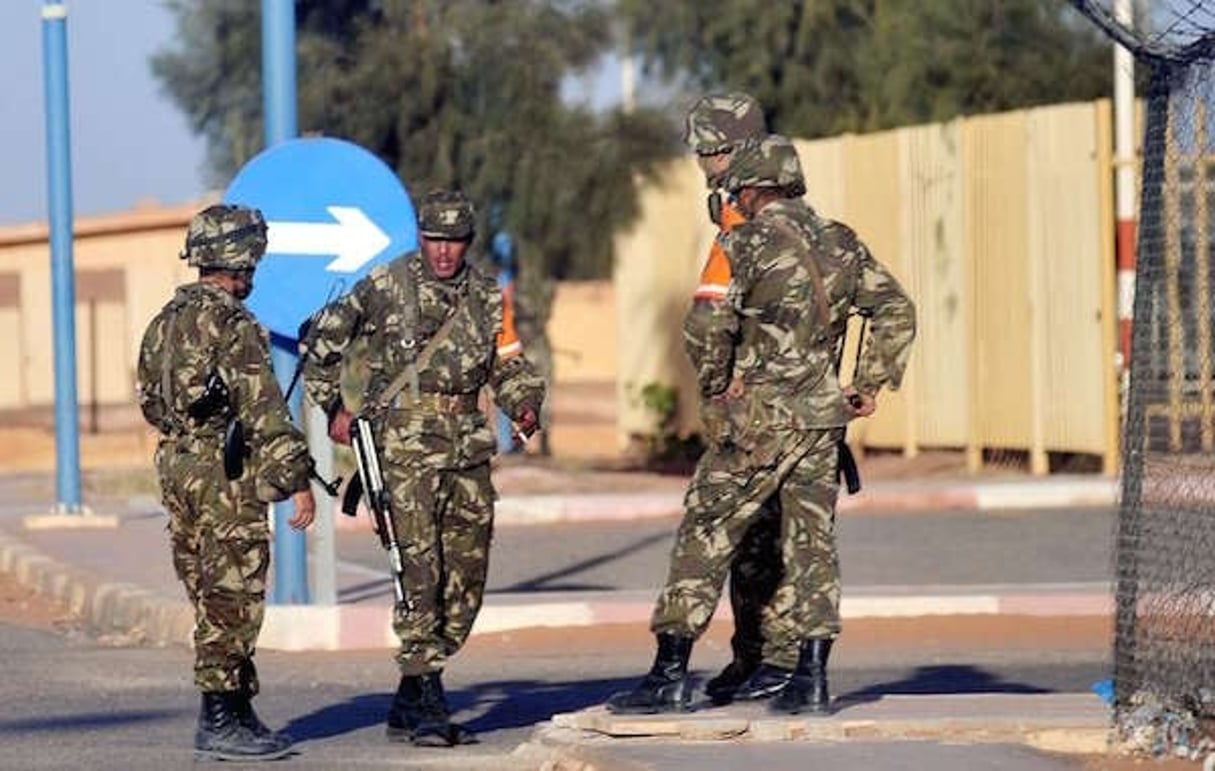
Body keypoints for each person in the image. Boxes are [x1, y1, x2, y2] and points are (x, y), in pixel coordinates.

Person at [607, 135, 916, 716]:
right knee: (812, 546)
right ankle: (812, 679)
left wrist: (720, 382)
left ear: (748, 189)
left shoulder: (739, 243)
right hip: (823, 421)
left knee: (706, 530)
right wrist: (867, 383)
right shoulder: (841, 242)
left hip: (758, 423)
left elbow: (705, 324)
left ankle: (669, 674)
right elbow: (897, 308)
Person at [300, 188, 544, 746]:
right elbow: (326, 339)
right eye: (434, 240)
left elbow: (508, 363)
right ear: (421, 237)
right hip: (405, 450)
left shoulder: (485, 296)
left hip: (467, 447)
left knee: (467, 578)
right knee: (418, 571)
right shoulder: (387, 285)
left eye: (453, 242)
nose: (443, 253)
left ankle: (410, 694)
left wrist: (525, 403)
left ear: (467, 242)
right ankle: (431, 698)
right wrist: (332, 404)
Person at [136, 203, 318, 762]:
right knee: (232, 592)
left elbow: (149, 401)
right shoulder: (234, 325)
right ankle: (218, 718)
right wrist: (298, 482)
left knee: (205, 585)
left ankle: (237, 709)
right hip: (221, 472)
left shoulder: (165, 321)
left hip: (177, 467)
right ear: (241, 259)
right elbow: (264, 411)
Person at [680, 92, 793, 705]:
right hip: (737, 401)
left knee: (771, 535)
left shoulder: (765, 214)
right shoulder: (730, 211)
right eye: (702, 153)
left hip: (771, 401)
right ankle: (753, 654)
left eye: (713, 152)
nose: (706, 163)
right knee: (746, 540)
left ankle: (779, 656)